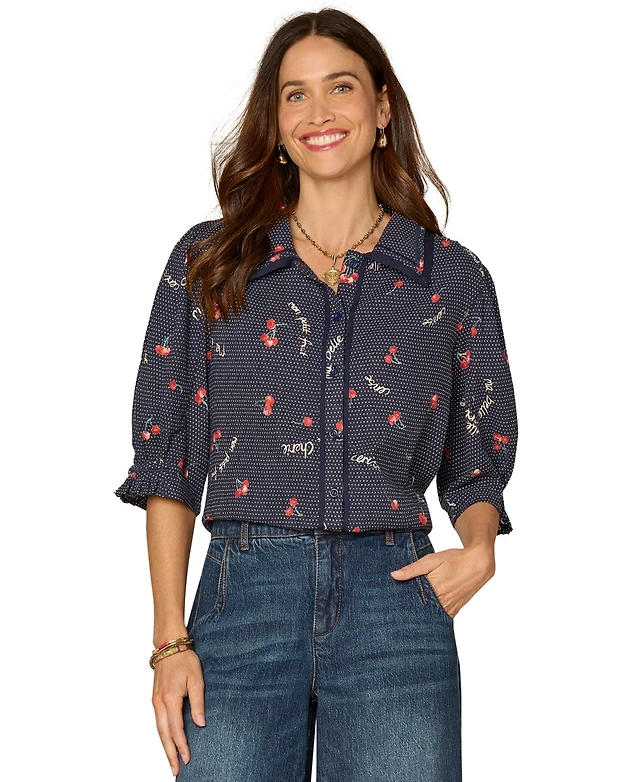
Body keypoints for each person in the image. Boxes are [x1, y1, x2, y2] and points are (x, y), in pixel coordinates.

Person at [114, 8, 518, 781]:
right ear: (274, 124)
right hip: (242, 598)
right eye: (294, 95)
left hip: (395, 606)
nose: (318, 112)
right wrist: (169, 641)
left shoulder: (449, 278)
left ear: (382, 108)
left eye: (341, 87)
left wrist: (479, 548)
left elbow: (475, 464)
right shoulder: (212, 263)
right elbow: (169, 464)